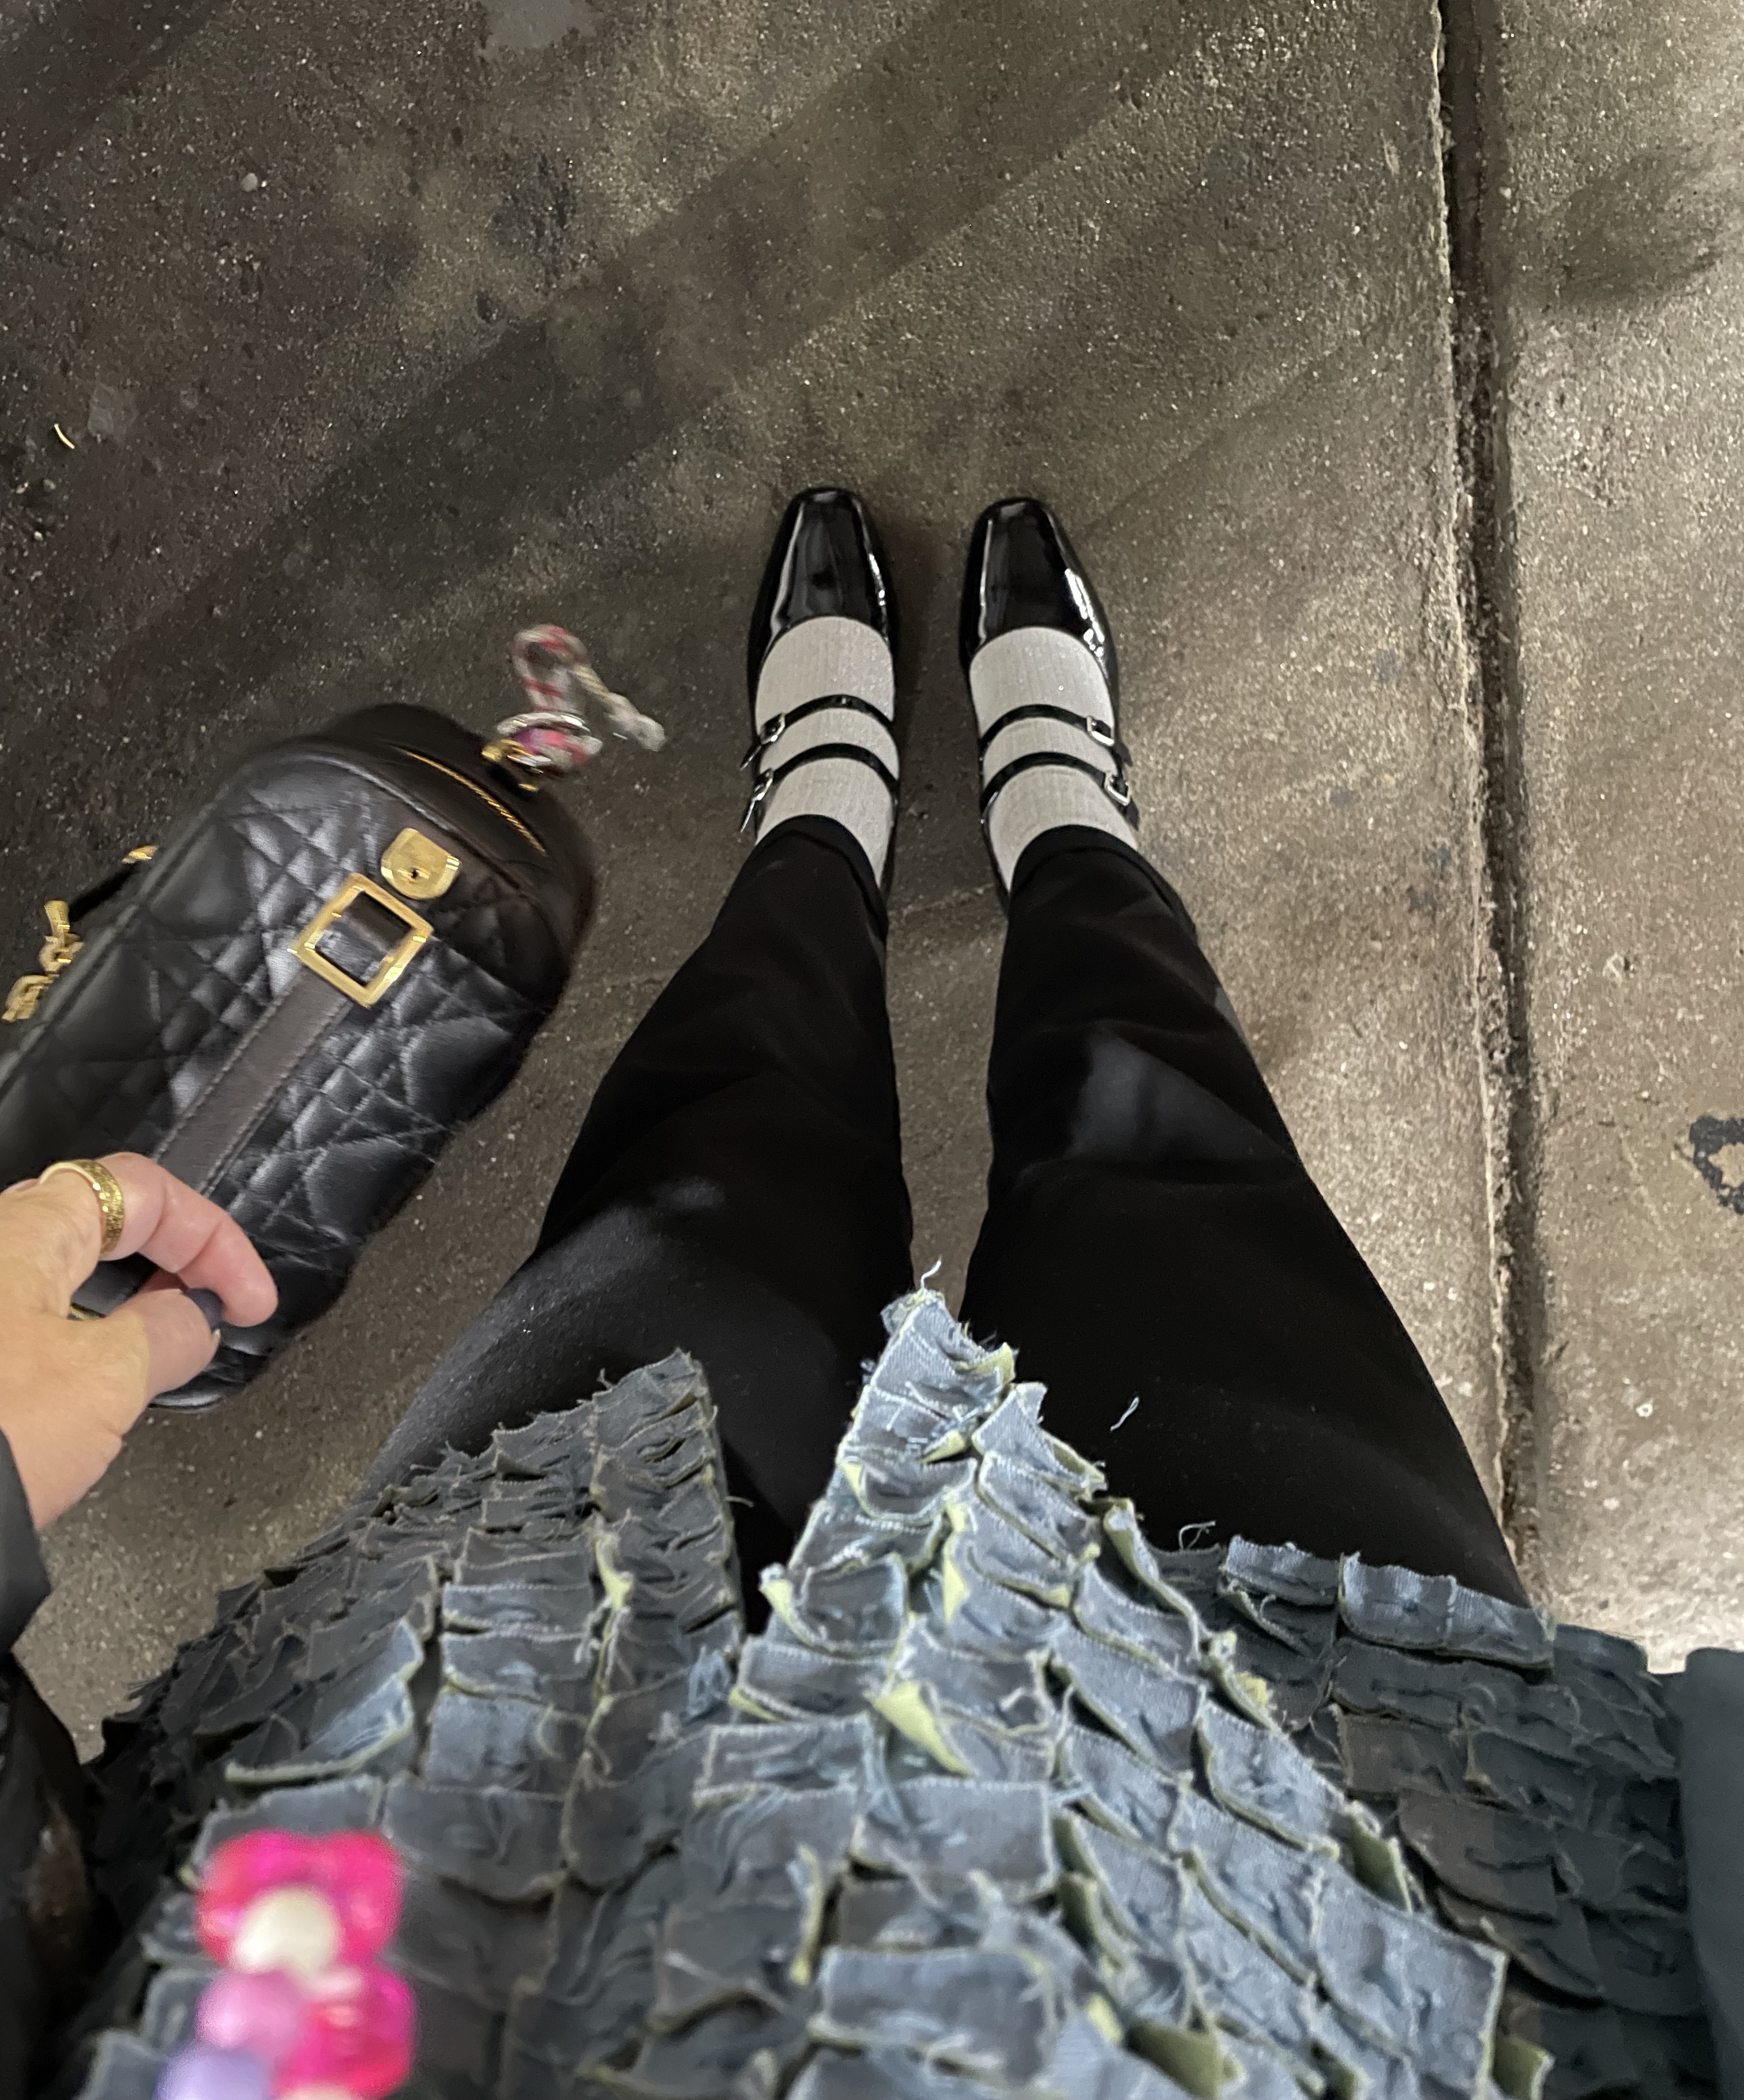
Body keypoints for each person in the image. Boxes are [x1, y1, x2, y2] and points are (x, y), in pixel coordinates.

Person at [0, 494, 1732, 2097]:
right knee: (1168, 1156)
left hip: (447, 1807)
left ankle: (826, 818)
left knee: (718, 1158)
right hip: (1373, 1849)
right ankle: (1061, 818)